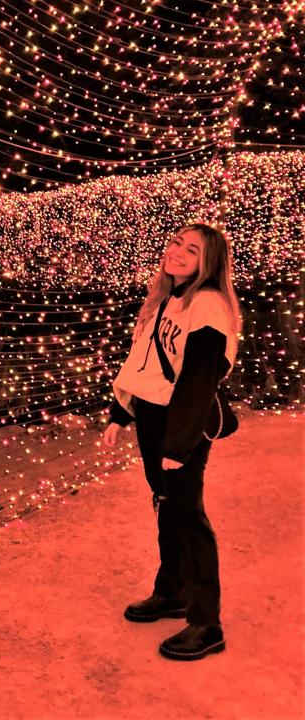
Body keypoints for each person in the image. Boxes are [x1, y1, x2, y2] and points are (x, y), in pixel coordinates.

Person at [103, 222, 241, 661]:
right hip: (153, 416)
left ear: (209, 263)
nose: (178, 252)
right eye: (177, 243)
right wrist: (121, 414)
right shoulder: (168, 299)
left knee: (188, 515)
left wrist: (177, 447)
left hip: (181, 423)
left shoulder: (207, 307)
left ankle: (206, 622)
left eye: (193, 250)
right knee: (166, 505)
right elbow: (145, 363)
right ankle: (172, 591)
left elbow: (199, 381)